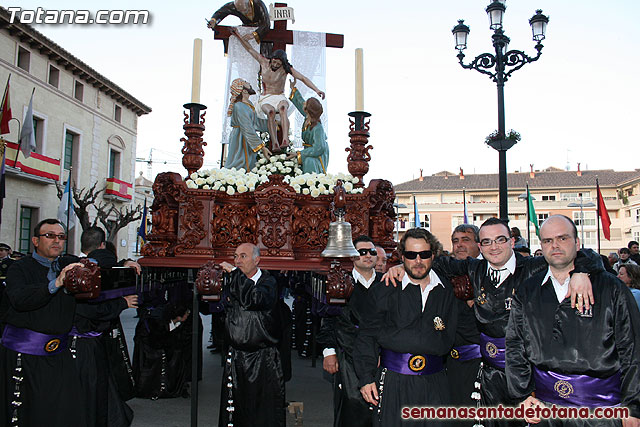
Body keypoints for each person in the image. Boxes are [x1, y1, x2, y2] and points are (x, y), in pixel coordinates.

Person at [385, 217, 598, 427]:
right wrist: (402, 267)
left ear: (512, 242)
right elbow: (432, 261)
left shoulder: (533, 267)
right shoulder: (475, 269)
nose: (493, 247)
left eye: (500, 240)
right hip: (489, 373)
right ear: (479, 246)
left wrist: (580, 271)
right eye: (487, 241)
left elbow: (587, 255)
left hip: (528, 372)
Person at [506, 215, 640, 426]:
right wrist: (521, 395)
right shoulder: (527, 290)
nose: (555, 245)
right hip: (544, 411)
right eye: (548, 241)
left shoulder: (611, 288)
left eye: (563, 238)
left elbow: (632, 349)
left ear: (577, 243)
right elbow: (515, 345)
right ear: (540, 245)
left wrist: (633, 407)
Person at [355, 228, 457, 426]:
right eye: (411, 255)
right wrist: (366, 378)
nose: (418, 260)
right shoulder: (386, 288)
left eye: (424, 254)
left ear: (433, 255)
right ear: (402, 257)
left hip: (435, 383)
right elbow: (367, 335)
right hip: (393, 381)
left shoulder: (445, 289)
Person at [0, 219, 85, 426]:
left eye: (61, 237)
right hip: (25, 356)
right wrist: (56, 283)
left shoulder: (68, 264)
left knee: (63, 411)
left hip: (59, 355)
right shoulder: (19, 268)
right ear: (35, 241)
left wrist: (126, 267)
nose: (57, 241)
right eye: (50, 236)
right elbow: (20, 299)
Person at [73, 226, 138, 426]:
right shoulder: (95, 267)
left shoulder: (71, 266)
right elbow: (90, 309)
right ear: (102, 245)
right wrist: (122, 303)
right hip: (87, 344)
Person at [218, 243, 285, 427]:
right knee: (237, 410)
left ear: (257, 260)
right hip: (237, 358)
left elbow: (254, 299)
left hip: (263, 359)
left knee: (264, 411)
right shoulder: (232, 281)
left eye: (243, 256)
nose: (238, 260)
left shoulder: (268, 282)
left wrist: (235, 274)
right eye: (235, 256)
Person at [318, 235, 382, 427]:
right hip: (349, 357)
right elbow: (329, 320)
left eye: (371, 252)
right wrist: (328, 352)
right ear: (352, 256)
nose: (368, 256)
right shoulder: (341, 283)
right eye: (362, 252)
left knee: (381, 408)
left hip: (382, 357)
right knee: (352, 409)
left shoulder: (387, 283)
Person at [231, 27, 325, 149]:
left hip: (279, 96)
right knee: (270, 112)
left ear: (283, 63)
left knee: (283, 108)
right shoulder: (264, 62)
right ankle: (275, 142)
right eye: (274, 62)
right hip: (266, 97)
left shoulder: (286, 69)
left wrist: (317, 90)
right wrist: (238, 35)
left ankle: (285, 139)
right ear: (271, 58)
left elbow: (303, 78)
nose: (275, 65)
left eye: (278, 63)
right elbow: (249, 49)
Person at [447, 224, 482, 422]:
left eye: (465, 240)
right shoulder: (442, 272)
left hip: (488, 364)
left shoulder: (492, 271)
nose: (459, 245)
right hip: (452, 364)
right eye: (455, 241)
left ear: (478, 243)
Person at [224, 78, 272, 171]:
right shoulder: (239, 106)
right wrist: (262, 147)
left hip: (247, 139)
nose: (249, 83)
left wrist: (272, 125)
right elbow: (247, 128)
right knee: (239, 164)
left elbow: (255, 123)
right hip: (240, 139)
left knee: (248, 164)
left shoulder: (248, 104)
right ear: (244, 90)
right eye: (246, 82)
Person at [285, 82, 329, 173]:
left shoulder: (317, 128)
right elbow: (300, 101)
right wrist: (293, 88)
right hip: (310, 152)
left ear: (308, 110)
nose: (304, 103)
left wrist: (299, 154)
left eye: (306, 103)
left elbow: (319, 148)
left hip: (318, 155)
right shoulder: (308, 117)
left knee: (309, 162)